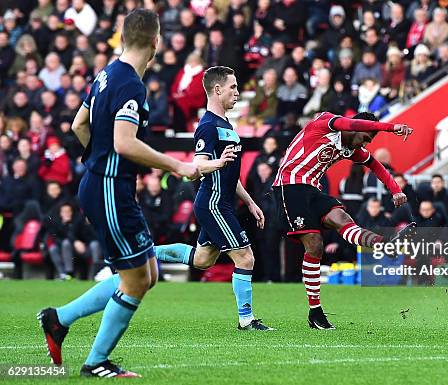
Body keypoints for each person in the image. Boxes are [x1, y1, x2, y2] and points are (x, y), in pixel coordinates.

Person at [37, 10, 200, 378]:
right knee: (137, 280)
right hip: (110, 188)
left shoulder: (106, 73)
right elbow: (124, 143)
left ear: (122, 37)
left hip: (105, 184)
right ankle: (94, 361)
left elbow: (78, 124)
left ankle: (58, 319)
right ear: (156, 42)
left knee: (148, 272)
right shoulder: (131, 85)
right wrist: (177, 166)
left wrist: (98, 159)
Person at [154, 66, 272, 331]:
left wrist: (251, 202)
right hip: (213, 203)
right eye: (233, 87)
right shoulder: (207, 126)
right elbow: (196, 167)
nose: (237, 92)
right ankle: (246, 320)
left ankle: (144, 253)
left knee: (203, 259)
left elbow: (231, 173)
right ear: (217, 90)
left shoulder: (226, 126)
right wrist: (218, 162)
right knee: (245, 257)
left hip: (223, 201)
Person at [272, 111, 413, 329]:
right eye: (365, 137)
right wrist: (392, 127)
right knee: (315, 244)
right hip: (289, 186)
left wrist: (395, 190)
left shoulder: (351, 149)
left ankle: (382, 243)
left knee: (342, 218)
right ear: (354, 129)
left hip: (312, 189)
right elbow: (352, 121)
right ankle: (315, 312)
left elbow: (375, 164)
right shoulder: (326, 124)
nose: (365, 144)